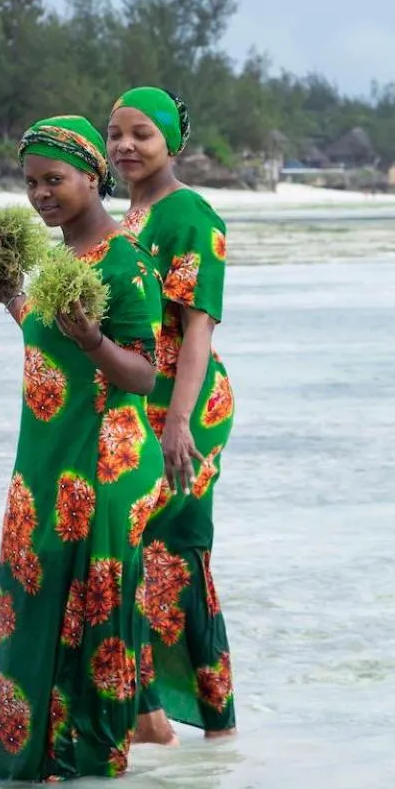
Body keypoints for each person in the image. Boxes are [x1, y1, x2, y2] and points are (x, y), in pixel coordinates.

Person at [0, 116, 165, 782]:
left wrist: (93, 339)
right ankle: (34, 776)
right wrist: (12, 297)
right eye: (31, 183)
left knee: (88, 623)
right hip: (45, 463)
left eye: (54, 180)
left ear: (94, 177)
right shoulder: (63, 261)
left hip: (99, 468)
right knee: (34, 611)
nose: (41, 194)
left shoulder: (124, 260)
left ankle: (87, 784)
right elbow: (49, 341)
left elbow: (144, 373)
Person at [106, 87, 236, 740]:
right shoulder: (126, 218)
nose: (125, 146)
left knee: (168, 552)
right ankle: (162, 716)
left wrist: (178, 421)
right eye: (115, 135)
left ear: (172, 144)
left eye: (142, 135)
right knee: (139, 551)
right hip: (138, 404)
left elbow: (197, 331)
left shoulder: (191, 215)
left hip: (187, 407)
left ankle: (182, 720)